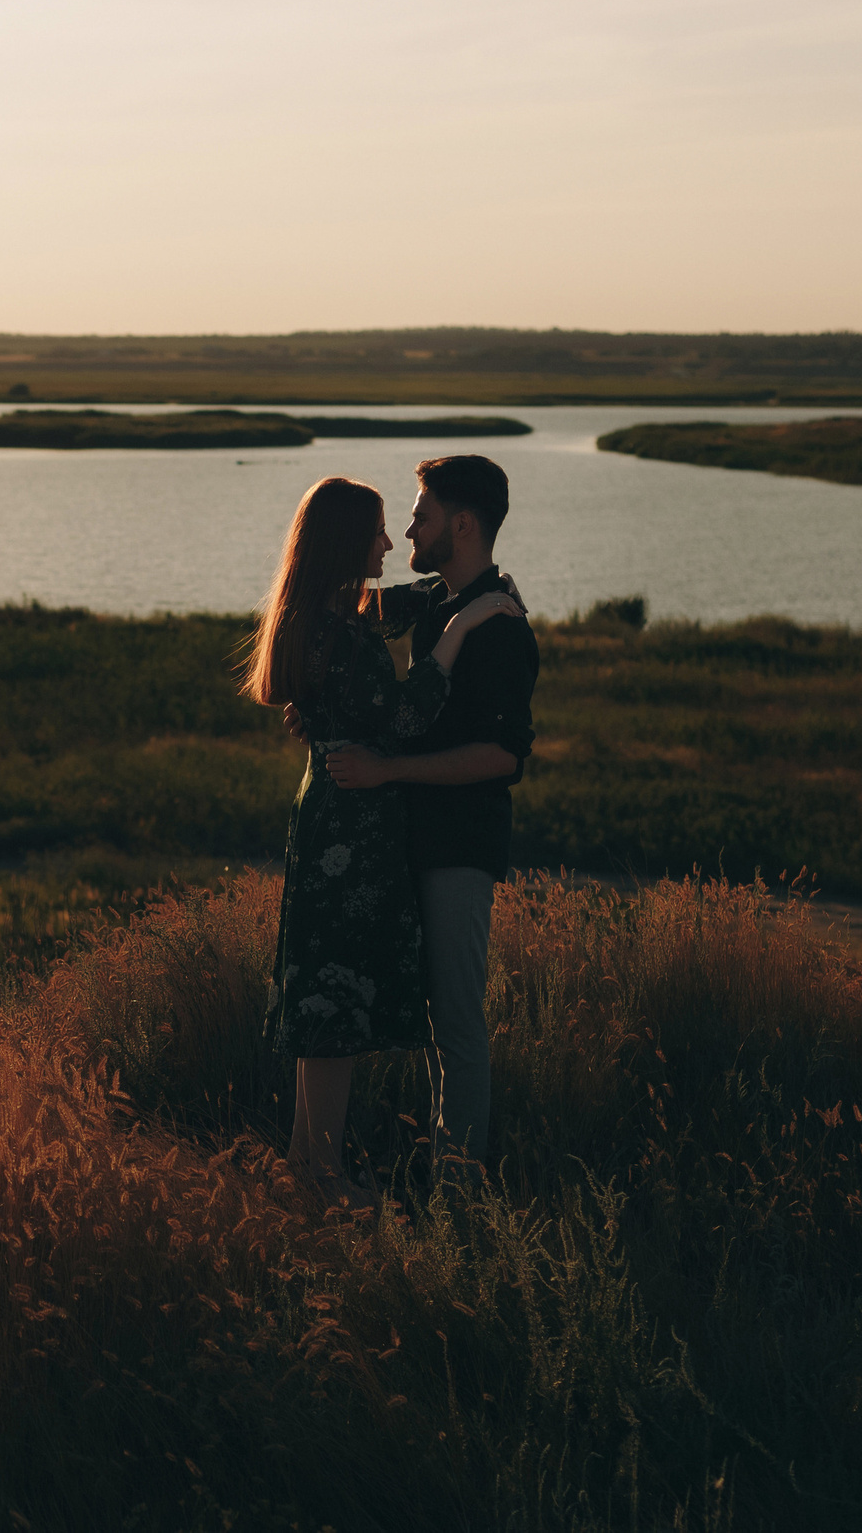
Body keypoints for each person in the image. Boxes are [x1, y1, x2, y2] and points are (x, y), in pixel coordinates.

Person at [242, 475, 526, 1210]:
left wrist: (473, 597)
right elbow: (402, 715)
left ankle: (310, 1164)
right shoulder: (342, 632)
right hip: (352, 824)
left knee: (322, 992)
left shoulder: (332, 611)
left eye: (406, 522)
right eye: (377, 531)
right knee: (334, 999)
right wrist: (462, 630)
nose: (391, 541)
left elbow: (409, 604)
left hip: (329, 815)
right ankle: (327, 1174)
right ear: (346, 542)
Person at [320, 455, 538, 1178]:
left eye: (420, 513)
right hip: (415, 841)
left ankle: (459, 1186)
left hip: (458, 847)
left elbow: (503, 755)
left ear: (463, 524)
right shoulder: (446, 605)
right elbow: (334, 612)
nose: (408, 526)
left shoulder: (501, 627)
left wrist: (388, 770)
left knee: (457, 1022)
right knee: (420, 1017)